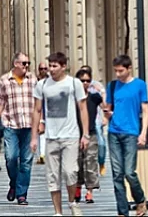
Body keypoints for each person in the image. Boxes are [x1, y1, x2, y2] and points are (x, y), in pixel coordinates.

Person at [31, 53, 89, 217]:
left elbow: (83, 108)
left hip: (70, 135)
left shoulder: (73, 83)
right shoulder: (42, 85)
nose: (51, 69)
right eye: (50, 65)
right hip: (51, 136)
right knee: (52, 175)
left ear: (64, 66)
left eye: (55, 66)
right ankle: (58, 212)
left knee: (70, 172)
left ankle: (72, 202)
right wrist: (34, 137)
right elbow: (36, 110)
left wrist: (85, 134)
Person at [105, 55, 148, 217]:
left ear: (129, 68)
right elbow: (108, 108)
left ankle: (140, 199)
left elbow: (145, 110)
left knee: (129, 172)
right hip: (114, 132)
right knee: (117, 174)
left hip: (131, 132)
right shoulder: (112, 86)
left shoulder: (139, 85)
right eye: (115, 71)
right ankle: (122, 211)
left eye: (121, 71)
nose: (117, 74)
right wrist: (107, 114)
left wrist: (143, 133)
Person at [0, 52, 37, 205]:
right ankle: (14, 183)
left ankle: (21, 193)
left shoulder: (33, 80)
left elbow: (39, 102)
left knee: (26, 161)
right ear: (16, 64)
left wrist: (41, 121)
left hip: (29, 126)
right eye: (24, 63)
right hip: (11, 125)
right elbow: (0, 103)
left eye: (28, 63)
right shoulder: (5, 80)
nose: (27, 66)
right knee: (11, 158)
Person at [75, 69, 102, 205]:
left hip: (90, 134)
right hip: (75, 135)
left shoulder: (94, 97)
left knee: (91, 162)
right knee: (77, 163)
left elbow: (106, 104)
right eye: (82, 80)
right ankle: (78, 188)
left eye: (87, 81)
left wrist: (100, 90)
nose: (85, 83)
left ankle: (89, 192)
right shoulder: (74, 98)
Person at [37, 61, 49, 165]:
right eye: (41, 69)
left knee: (44, 134)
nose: (43, 71)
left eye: (45, 69)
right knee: (40, 134)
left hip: (48, 111)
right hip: (38, 110)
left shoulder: (51, 81)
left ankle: (43, 154)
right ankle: (41, 154)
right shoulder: (35, 82)